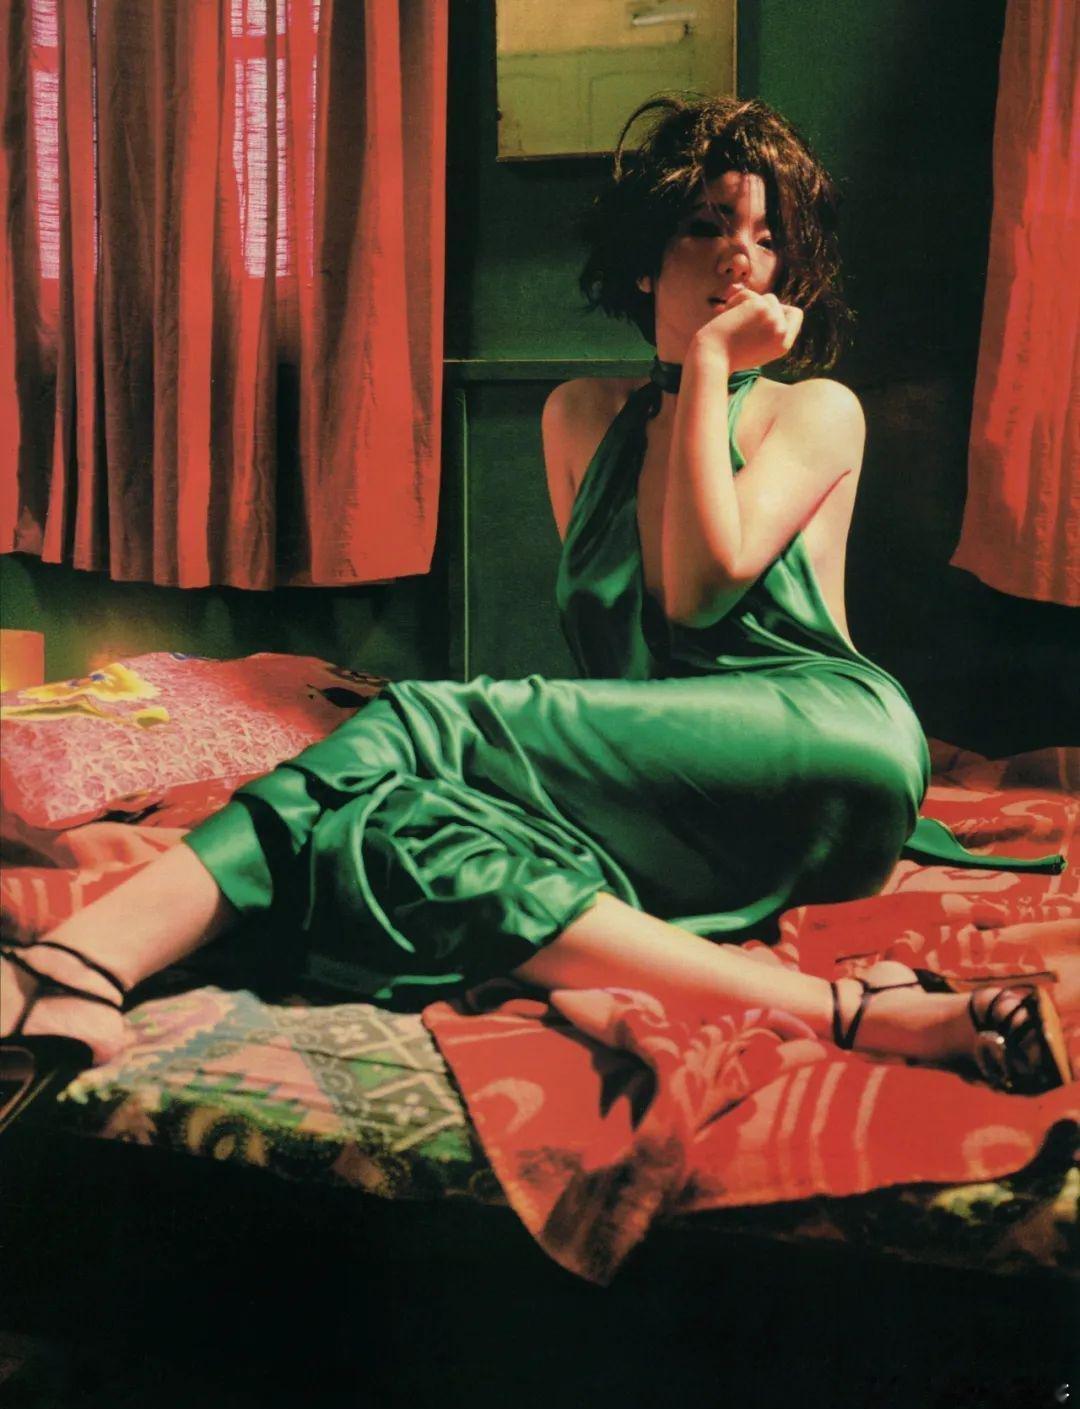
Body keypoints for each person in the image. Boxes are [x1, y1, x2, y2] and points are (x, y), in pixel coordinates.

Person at [0, 96, 1070, 1121]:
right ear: (645, 254)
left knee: (423, 719)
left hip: (830, 743)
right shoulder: (578, 417)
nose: (741, 258)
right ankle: (859, 1012)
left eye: (766, 237)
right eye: (707, 226)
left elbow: (703, 588)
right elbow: (624, 666)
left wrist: (707, 365)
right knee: (391, 834)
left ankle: (84, 958)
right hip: (688, 790)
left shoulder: (817, 410)